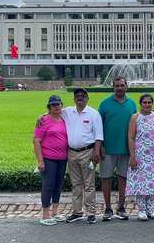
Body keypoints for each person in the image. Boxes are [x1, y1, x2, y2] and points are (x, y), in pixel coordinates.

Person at [98, 76, 137, 221]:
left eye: (122, 85)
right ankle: (108, 208)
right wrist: (100, 145)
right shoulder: (105, 103)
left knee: (123, 179)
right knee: (106, 179)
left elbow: (137, 123)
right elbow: (98, 126)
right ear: (113, 87)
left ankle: (121, 206)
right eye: (117, 86)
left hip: (126, 149)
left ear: (126, 86)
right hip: (107, 149)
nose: (119, 88)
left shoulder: (131, 104)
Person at [62, 88, 103, 224]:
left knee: (89, 184)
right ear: (74, 99)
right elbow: (53, 113)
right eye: (77, 96)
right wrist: (41, 116)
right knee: (76, 184)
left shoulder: (93, 114)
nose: (80, 98)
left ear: (87, 98)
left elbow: (98, 136)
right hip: (72, 152)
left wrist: (96, 153)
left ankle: (91, 213)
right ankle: (77, 212)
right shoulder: (68, 112)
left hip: (88, 153)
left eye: (83, 96)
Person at [126, 93, 154, 221]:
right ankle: (141, 209)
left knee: (153, 181)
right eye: (144, 102)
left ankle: (151, 209)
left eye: (149, 102)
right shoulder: (135, 117)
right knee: (141, 182)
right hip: (140, 155)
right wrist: (133, 156)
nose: (147, 105)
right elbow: (131, 138)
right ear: (140, 104)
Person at [33, 95, 67, 226]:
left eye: (58, 104)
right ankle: (45, 213)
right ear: (49, 107)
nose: (56, 107)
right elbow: (36, 141)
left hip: (62, 158)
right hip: (48, 158)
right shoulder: (44, 121)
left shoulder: (64, 118)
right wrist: (40, 160)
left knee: (58, 185)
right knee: (48, 185)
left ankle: (55, 211)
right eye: (53, 105)